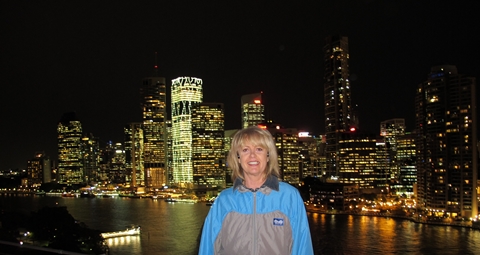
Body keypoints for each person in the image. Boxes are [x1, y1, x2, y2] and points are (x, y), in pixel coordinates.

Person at [199, 126, 314, 255]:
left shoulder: (290, 196)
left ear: (268, 155)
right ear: (238, 157)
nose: (252, 155)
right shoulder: (224, 200)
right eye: (245, 150)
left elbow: (303, 247)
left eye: (259, 149)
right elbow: (207, 248)